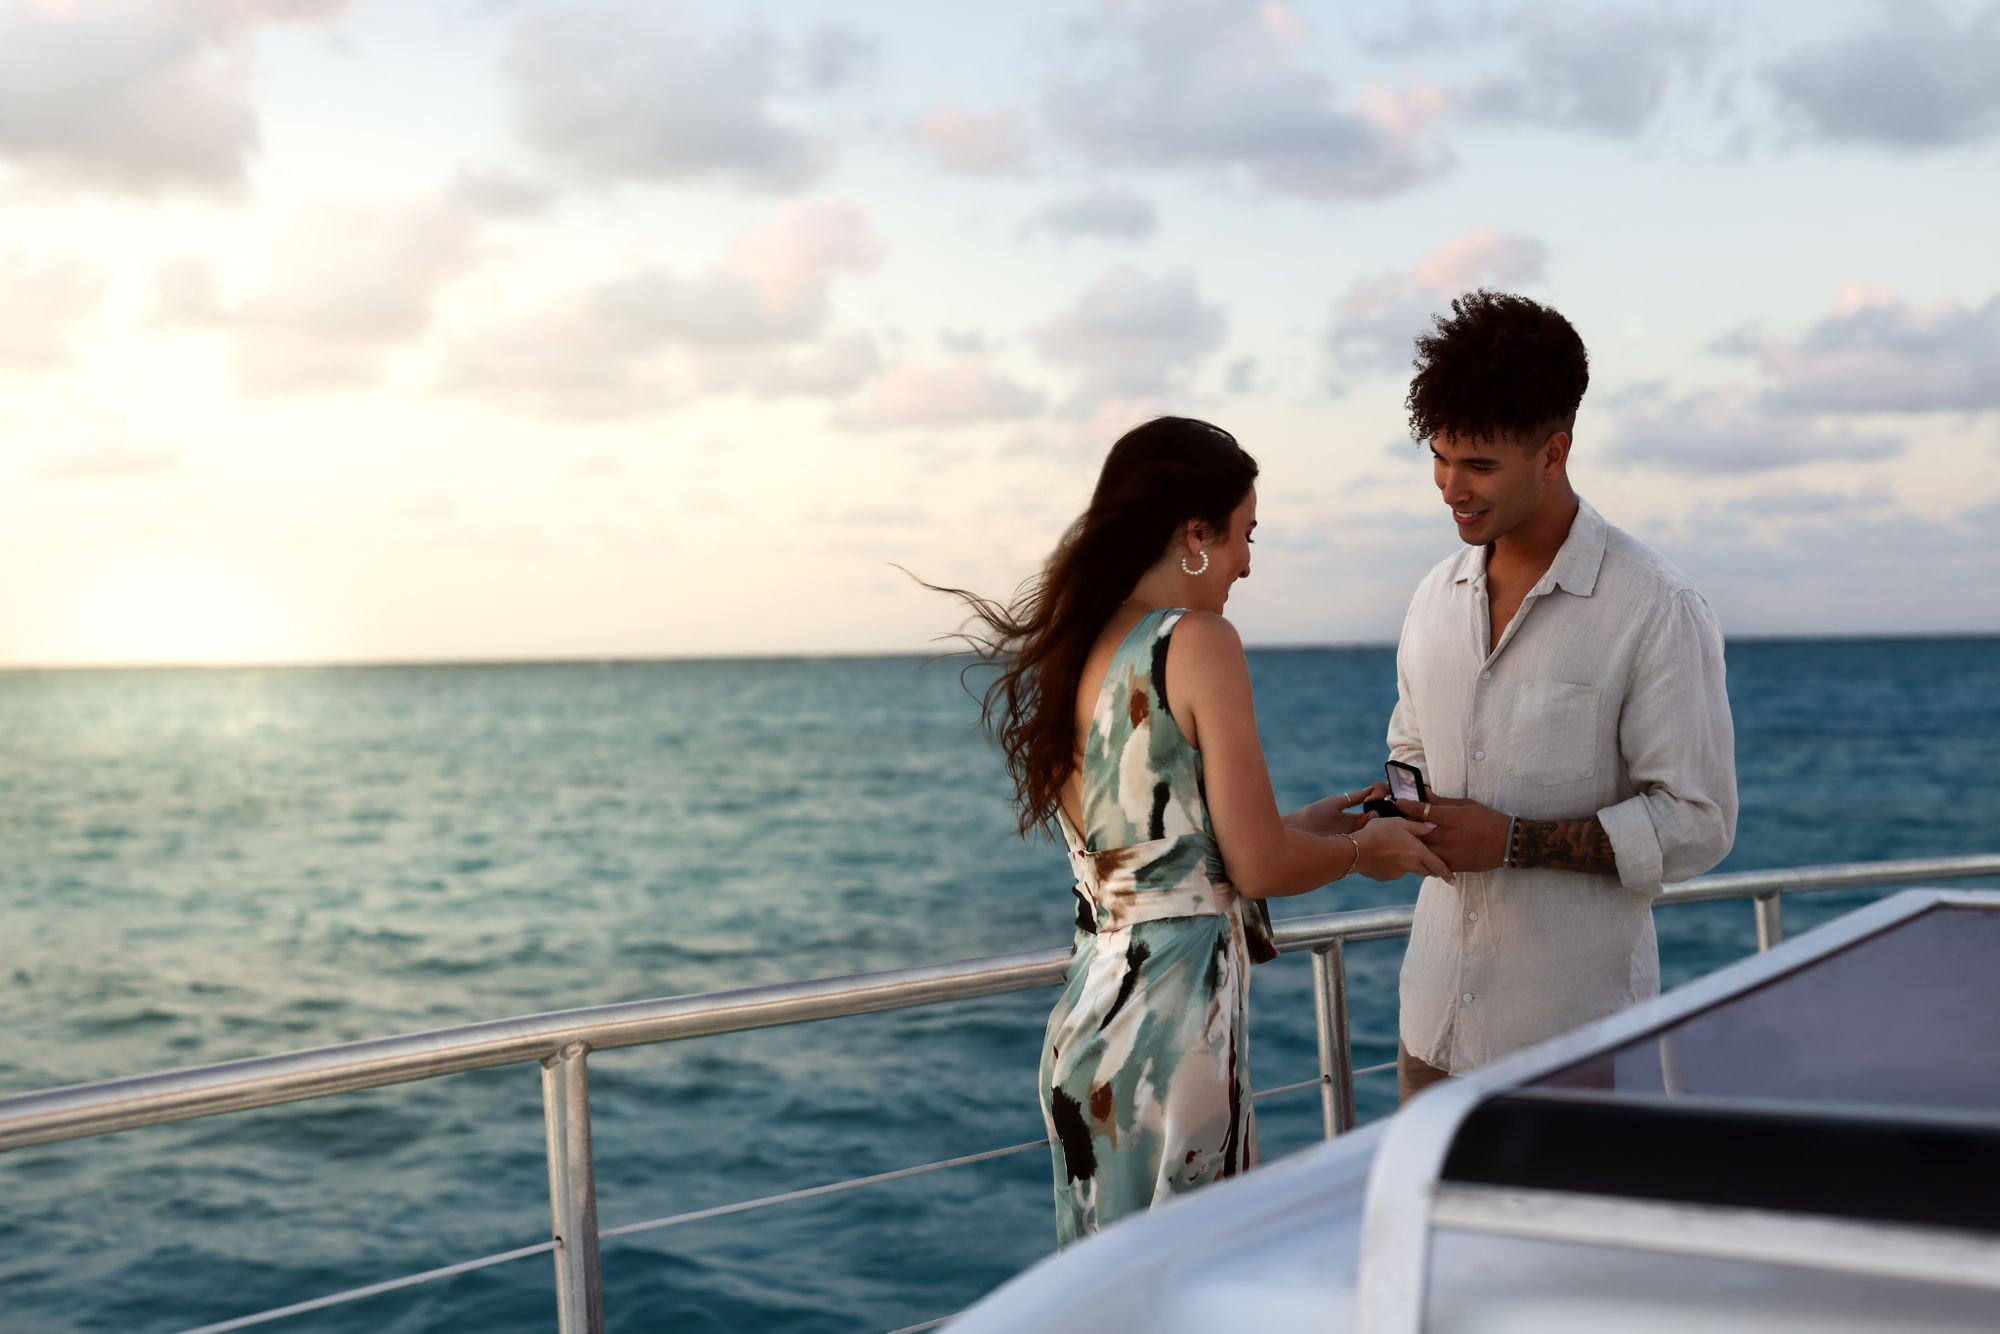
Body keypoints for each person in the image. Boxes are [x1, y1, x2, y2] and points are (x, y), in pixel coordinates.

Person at [933, 416, 1450, 1245]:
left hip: (1091, 1029)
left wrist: (1308, 827)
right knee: (1188, 1287)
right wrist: (1364, 852)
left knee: (1113, 1295)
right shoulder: (1199, 641)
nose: (1249, 560)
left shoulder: (1080, 647)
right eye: (1245, 535)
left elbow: (1160, 857)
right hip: (1172, 1039)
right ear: (1194, 535)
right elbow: (1256, 866)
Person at [1387, 290, 1738, 1100]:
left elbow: (1699, 823)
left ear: (1553, 453)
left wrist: (1512, 840)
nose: (1450, 487)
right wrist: (1399, 818)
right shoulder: (1433, 598)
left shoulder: (1654, 606)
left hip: (1573, 1045)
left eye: (1479, 465)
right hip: (1428, 1024)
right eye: (1440, 457)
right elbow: (1410, 745)